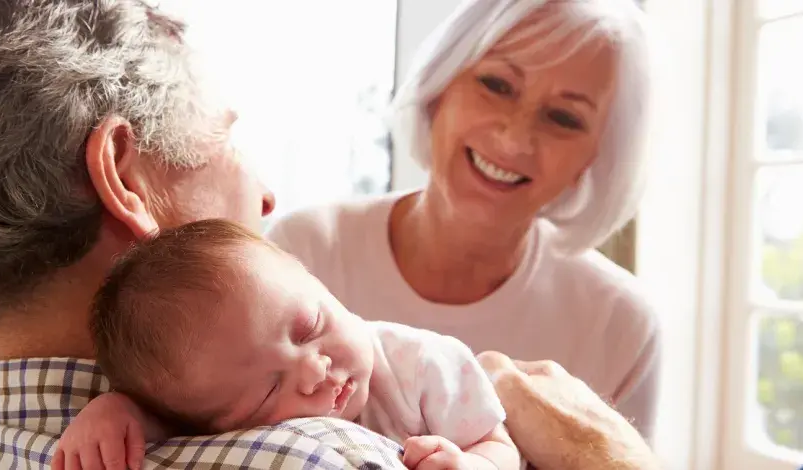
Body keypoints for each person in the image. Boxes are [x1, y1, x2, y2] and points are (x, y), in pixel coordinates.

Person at [0, 1, 404, 469]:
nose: (267, 198)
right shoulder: (319, 456)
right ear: (128, 181)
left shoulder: (2, 445)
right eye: (227, 144)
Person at [265, 0, 663, 465]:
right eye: (496, 85)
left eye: (563, 118)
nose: (514, 139)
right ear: (439, 90)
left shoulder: (621, 325)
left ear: (596, 159)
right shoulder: (302, 252)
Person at [52, 219, 520, 470]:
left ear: (313, 279)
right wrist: (121, 412)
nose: (315, 370)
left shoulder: (424, 364)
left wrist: (475, 463)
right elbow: (178, 427)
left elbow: (500, 443)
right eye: (270, 390)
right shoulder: (214, 421)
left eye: (310, 326)